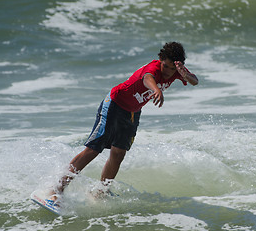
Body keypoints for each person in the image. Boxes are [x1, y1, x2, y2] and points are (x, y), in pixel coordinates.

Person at [50, 42, 198, 202]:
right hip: (114, 104)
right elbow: (147, 78)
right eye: (166, 66)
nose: (168, 72)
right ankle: (56, 190)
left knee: (119, 153)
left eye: (172, 68)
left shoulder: (177, 71)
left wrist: (185, 75)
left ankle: (100, 192)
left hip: (132, 112)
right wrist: (156, 90)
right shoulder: (153, 68)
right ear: (160, 60)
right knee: (93, 149)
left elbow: (195, 81)